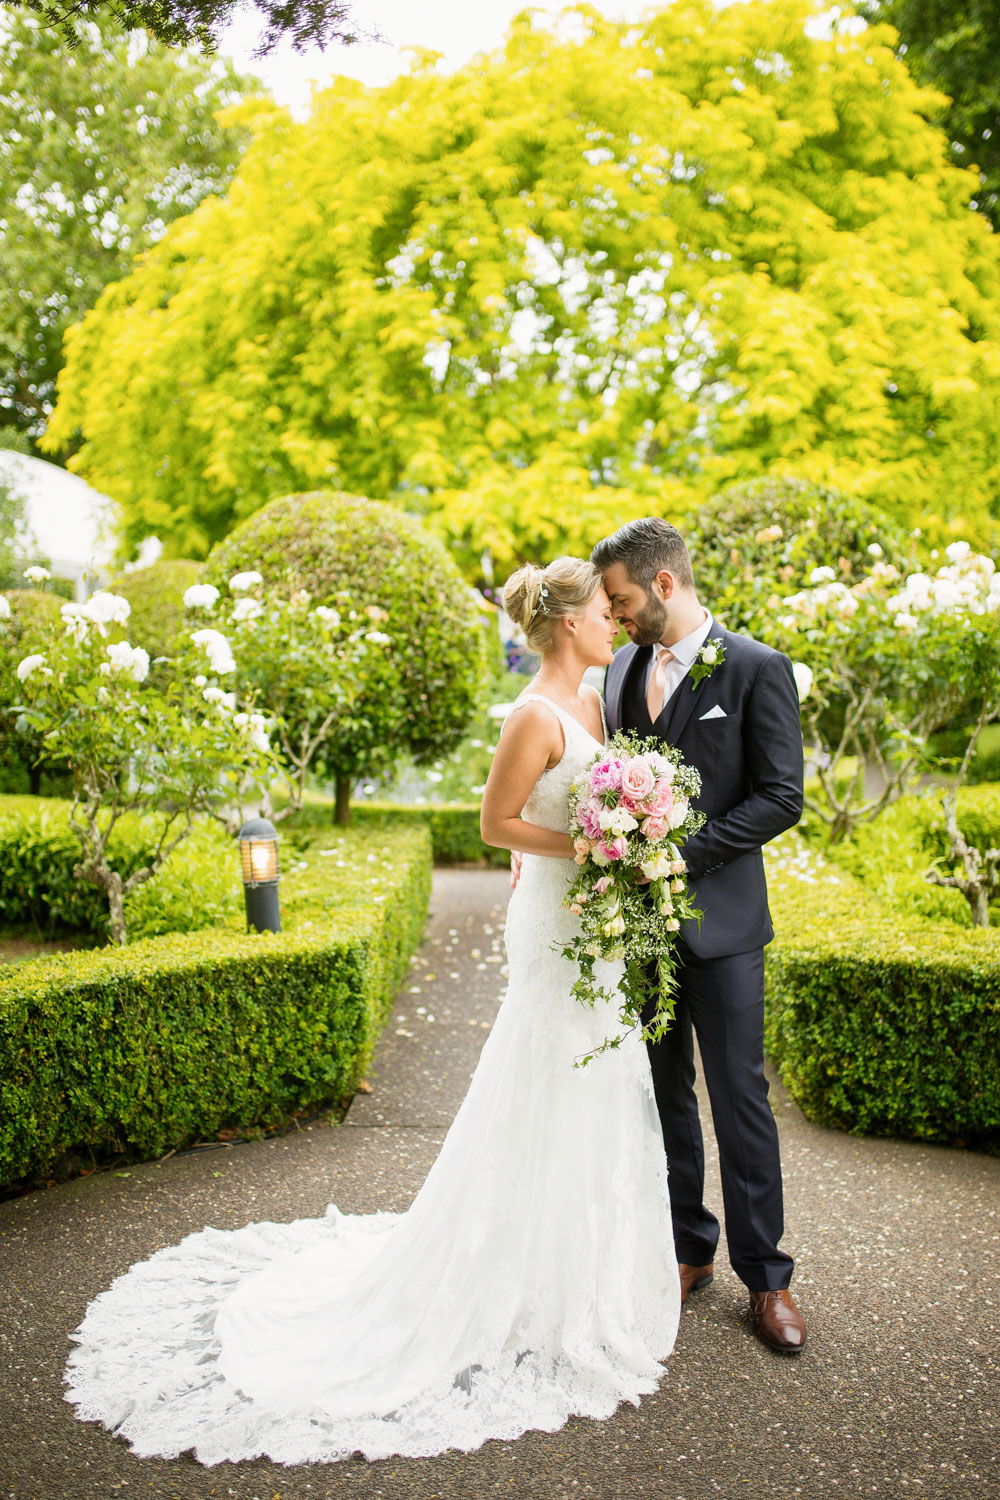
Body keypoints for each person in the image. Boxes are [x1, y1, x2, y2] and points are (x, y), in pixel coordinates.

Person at [64, 556, 681, 1466]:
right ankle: (505, 1278)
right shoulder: (534, 714)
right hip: (556, 918)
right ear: (564, 626)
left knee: (599, 1076)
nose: (614, 623)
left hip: (597, 922)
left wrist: (627, 844)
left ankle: (577, 1274)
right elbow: (494, 825)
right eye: (601, 611)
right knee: (545, 1069)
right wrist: (597, 847)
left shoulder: (598, 701)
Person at [591, 516, 807, 1353]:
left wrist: (678, 855)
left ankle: (769, 1278)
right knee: (661, 1093)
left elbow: (781, 795)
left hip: (724, 930)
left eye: (620, 600)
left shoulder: (754, 669)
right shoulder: (617, 671)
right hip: (637, 932)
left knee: (739, 1096)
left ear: (665, 585)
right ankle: (688, 1247)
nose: (613, 618)